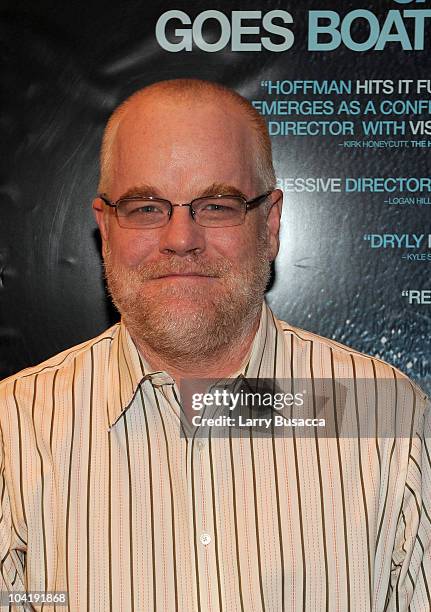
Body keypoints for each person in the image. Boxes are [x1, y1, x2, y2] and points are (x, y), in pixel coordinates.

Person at [0, 79, 429, 612]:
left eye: (217, 205)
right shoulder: (13, 427)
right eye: (146, 207)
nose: (181, 238)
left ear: (269, 225)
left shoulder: (386, 416)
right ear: (105, 227)